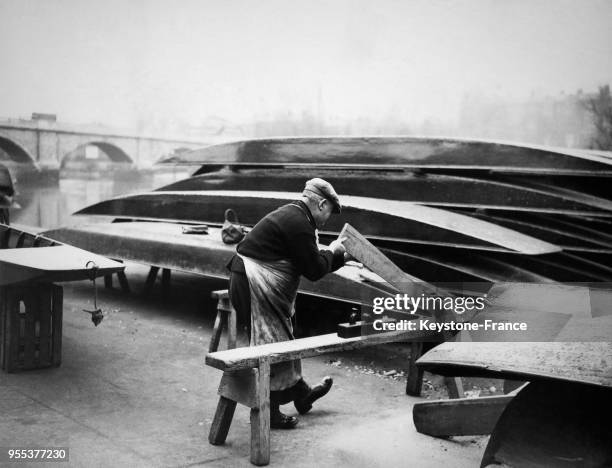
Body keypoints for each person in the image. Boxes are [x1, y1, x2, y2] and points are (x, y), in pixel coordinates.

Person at [226, 178, 346, 429]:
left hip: (248, 279)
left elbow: (308, 259)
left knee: (284, 335)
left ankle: (300, 394)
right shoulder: (299, 223)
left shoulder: (294, 216)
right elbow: (313, 270)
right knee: (271, 344)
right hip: (249, 282)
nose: (327, 220)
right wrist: (334, 251)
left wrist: (334, 257)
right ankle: (270, 412)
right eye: (329, 213)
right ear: (322, 204)